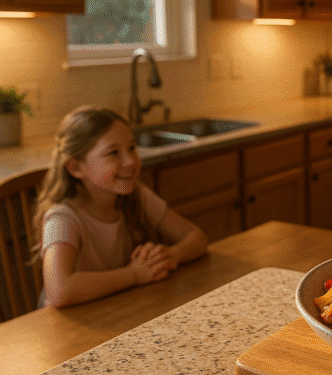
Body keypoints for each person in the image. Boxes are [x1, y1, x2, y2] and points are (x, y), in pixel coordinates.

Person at [33, 106, 209, 308]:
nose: (130, 161)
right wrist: (134, 274)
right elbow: (60, 291)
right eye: (113, 152)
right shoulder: (62, 218)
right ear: (76, 167)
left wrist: (170, 256)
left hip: (117, 310)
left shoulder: (137, 196)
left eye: (132, 148)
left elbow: (197, 238)